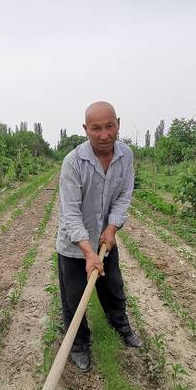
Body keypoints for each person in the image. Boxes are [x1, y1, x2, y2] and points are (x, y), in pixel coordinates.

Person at [56, 101, 142, 372]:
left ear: (118, 123)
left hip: (105, 240)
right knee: (74, 299)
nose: (104, 134)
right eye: (96, 128)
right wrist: (87, 252)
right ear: (85, 129)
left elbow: (123, 196)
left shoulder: (125, 155)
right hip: (74, 246)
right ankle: (79, 344)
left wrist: (112, 228)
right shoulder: (73, 162)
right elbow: (70, 213)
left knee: (113, 287)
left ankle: (122, 327)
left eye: (109, 126)